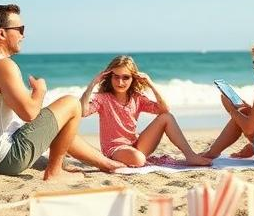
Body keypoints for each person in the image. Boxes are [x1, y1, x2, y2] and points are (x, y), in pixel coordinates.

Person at [0, 4, 125, 181]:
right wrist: (40, 91)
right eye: (19, 29)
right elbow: (30, 114)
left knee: (58, 123)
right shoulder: (2, 65)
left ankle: (107, 164)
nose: (23, 35)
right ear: (2, 34)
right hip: (3, 159)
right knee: (72, 104)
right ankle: (54, 172)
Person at [80, 55, 212, 167]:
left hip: (135, 145)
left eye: (126, 77)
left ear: (133, 78)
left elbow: (164, 109)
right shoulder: (103, 99)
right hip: (115, 150)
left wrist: (151, 84)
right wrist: (93, 83)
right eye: (116, 77)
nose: (120, 82)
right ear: (109, 77)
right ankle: (129, 158)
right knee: (139, 159)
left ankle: (190, 156)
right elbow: (83, 112)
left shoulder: (136, 98)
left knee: (167, 117)